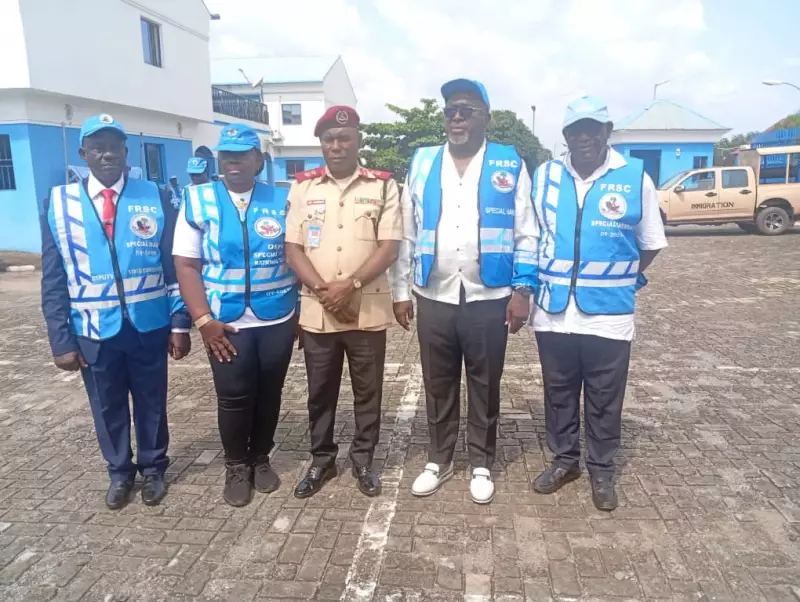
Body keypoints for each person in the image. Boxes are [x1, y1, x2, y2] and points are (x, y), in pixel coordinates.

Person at [389, 79, 538, 505]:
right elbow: (408, 231)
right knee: (438, 382)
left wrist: (522, 290)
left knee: (484, 382)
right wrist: (401, 290)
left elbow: (526, 232)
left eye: (467, 110)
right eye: (451, 110)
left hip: (489, 294)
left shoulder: (509, 163)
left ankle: (481, 462)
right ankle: (438, 459)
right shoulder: (422, 162)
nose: (457, 117)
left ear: (485, 117)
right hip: (433, 292)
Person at [40, 114, 191, 510]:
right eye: (98, 147)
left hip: (148, 324)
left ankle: (154, 468)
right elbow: (54, 279)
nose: (107, 155)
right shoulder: (59, 203)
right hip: (92, 330)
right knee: (106, 406)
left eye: (115, 147)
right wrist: (60, 339)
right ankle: (120, 473)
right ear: (83, 154)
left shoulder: (155, 196)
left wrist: (179, 322)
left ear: (127, 153)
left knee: (151, 401)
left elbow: (172, 267)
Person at [530, 96, 666, 511]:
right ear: (566, 136)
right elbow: (530, 237)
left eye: (592, 128)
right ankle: (564, 460)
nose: (583, 136)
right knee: (559, 393)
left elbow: (651, 243)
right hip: (553, 311)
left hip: (609, 313)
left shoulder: (633, 177)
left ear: (607, 131)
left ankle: (602, 469)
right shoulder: (546, 176)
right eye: (575, 130)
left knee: (605, 397)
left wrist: (625, 276)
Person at [173, 123, 299, 507]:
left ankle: (261, 458)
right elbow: (187, 266)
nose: (233, 162)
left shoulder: (283, 200)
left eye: (242, 155)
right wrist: (202, 321)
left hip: (277, 317)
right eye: (226, 155)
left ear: (258, 160)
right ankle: (236, 466)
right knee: (233, 397)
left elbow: (298, 257)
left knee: (269, 393)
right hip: (225, 324)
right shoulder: (197, 200)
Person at [285, 105, 402, 499]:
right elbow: (293, 249)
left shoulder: (384, 186)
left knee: (368, 391)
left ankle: (363, 460)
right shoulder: (302, 187)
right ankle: (322, 460)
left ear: (357, 141)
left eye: (344, 138)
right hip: (319, 312)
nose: (336, 146)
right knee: (320, 391)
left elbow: (389, 248)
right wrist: (325, 291)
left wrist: (349, 284)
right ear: (321, 143)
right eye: (329, 140)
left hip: (365, 309)